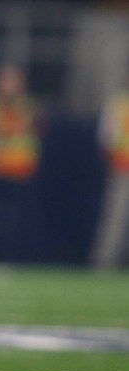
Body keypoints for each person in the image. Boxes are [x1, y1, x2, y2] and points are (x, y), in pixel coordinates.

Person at [0, 63, 42, 262]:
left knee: (20, 218)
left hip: (21, 168)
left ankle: (19, 257)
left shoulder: (29, 105)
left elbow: (22, 130)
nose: (8, 86)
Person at [91, 76, 129, 269]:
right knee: (115, 219)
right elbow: (106, 138)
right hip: (123, 167)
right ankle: (105, 263)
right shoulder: (118, 103)